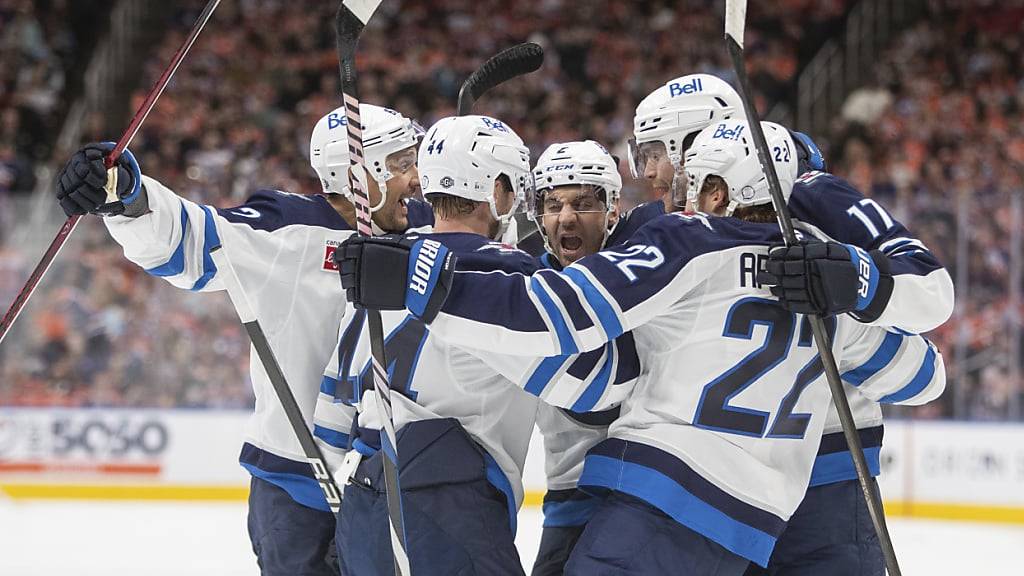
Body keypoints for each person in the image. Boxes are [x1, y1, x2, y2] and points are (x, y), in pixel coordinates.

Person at [336, 119, 947, 575]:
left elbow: (563, 325)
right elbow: (924, 374)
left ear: (716, 192)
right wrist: (856, 287)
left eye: (691, 182)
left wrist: (425, 284)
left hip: (657, 497)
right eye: (554, 203)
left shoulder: (687, 242)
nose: (676, 195)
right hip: (753, 527)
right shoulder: (822, 287)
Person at [53, 103, 430, 576]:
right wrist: (126, 193)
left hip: (398, 483)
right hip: (299, 483)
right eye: (400, 164)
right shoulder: (284, 226)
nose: (416, 179)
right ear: (356, 172)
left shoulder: (428, 229)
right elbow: (189, 237)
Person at [628, 74, 954, 576]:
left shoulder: (809, 194)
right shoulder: (660, 226)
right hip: (712, 472)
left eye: (655, 152)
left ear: (697, 144)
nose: (648, 172)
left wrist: (851, 278)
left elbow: (932, 291)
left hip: (826, 464)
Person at [320, 114, 542, 576]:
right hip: (449, 503)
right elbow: (590, 386)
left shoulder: (380, 259)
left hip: (364, 496)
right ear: (496, 189)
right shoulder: (513, 274)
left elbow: (337, 403)